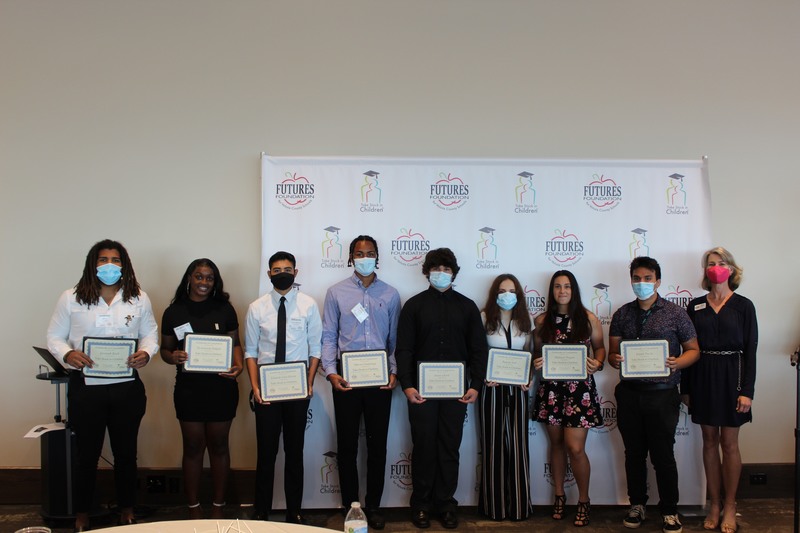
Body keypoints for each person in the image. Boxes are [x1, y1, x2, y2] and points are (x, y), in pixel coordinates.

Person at [46, 239, 158, 532]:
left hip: (127, 387)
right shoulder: (70, 297)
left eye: (116, 260)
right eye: (103, 259)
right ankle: (82, 514)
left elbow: (151, 334)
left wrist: (146, 353)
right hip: (86, 388)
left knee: (125, 453)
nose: (109, 265)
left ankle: (127, 510)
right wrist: (68, 354)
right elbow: (54, 336)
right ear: (92, 264)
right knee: (87, 454)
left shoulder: (139, 298)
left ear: (125, 265)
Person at [396, 248, 488, 530]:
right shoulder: (413, 306)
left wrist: (476, 385)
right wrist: (408, 386)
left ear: (454, 273)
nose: (440, 273)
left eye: (446, 269)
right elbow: (404, 350)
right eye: (435, 268)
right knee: (423, 447)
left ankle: (446, 504)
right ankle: (421, 505)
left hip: (457, 394)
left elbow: (478, 349)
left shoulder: (468, 306)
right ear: (426, 271)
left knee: (449, 448)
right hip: (420, 394)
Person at [608, 256, 700, 533]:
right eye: (637, 278)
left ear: (658, 281)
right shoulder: (622, 314)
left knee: (663, 456)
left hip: (663, 394)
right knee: (633, 454)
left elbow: (694, 350)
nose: (642, 283)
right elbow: (613, 354)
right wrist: (616, 359)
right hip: (630, 393)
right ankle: (637, 504)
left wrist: (677, 362)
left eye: (647, 278)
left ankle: (669, 510)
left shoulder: (676, 313)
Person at [321, 235, 401, 530]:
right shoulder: (335, 292)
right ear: (350, 257)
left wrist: (394, 371)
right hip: (347, 379)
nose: (364, 257)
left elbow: (394, 340)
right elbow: (329, 336)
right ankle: (351, 505)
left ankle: (375, 505)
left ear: (377, 257)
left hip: (380, 380)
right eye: (358, 253)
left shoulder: (391, 294)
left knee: (377, 445)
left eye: (369, 253)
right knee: (346, 445)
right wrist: (331, 372)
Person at [160, 258, 244, 519]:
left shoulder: (225, 308)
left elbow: (236, 345)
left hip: (222, 388)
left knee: (219, 445)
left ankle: (218, 506)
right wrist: (173, 357)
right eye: (199, 277)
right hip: (189, 390)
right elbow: (164, 349)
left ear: (215, 281)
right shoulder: (174, 311)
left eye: (209, 278)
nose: (204, 282)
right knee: (193, 446)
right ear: (189, 278)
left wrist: (238, 366)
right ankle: (194, 507)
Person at [682, 247, 757, 533]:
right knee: (709, 442)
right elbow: (688, 348)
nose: (715, 267)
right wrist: (686, 388)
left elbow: (751, 350)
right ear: (705, 271)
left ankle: (731, 505)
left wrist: (747, 391)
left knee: (730, 443)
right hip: (702, 376)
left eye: (721, 263)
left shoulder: (744, 306)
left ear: (731, 268)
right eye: (710, 264)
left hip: (733, 378)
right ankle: (713, 503)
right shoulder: (695, 305)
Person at [244, 251, 321, 524]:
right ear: (269, 274)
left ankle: (294, 510)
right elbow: (251, 353)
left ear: (296, 272)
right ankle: (262, 508)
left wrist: (310, 382)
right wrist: (255, 388)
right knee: (265, 452)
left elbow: (316, 349)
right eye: (276, 270)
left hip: (298, 391)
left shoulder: (309, 305)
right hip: (266, 392)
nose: (282, 273)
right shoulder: (257, 308)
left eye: (287, 269)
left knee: (294, 451)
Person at [532, 270, 606, 527]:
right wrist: (536, 361)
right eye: (557, 287)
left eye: (567, 286)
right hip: (552, 391)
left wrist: (597, 362)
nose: (562, 291)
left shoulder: (588, 318)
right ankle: (559, 496)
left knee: (575, 448)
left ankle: (584, 500)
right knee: (557, 446)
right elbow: (536, 352)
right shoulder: (542, 320)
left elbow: (600, 348)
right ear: (551, 291)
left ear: (574, 290)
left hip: (579, 392)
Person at [478, 274, 533, 521]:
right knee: (493, 447)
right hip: (491, 389)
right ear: (494, 294)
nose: (507, 295)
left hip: (519, 390)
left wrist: (529, 377)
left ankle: (520, 507)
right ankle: (495, 508)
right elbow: (476, 353)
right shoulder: (483, 317)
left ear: (518, 294)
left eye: (511, 290)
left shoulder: (526, 320)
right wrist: (482, 377)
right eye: (502, 290)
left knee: (520, 447)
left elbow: (530, 353)